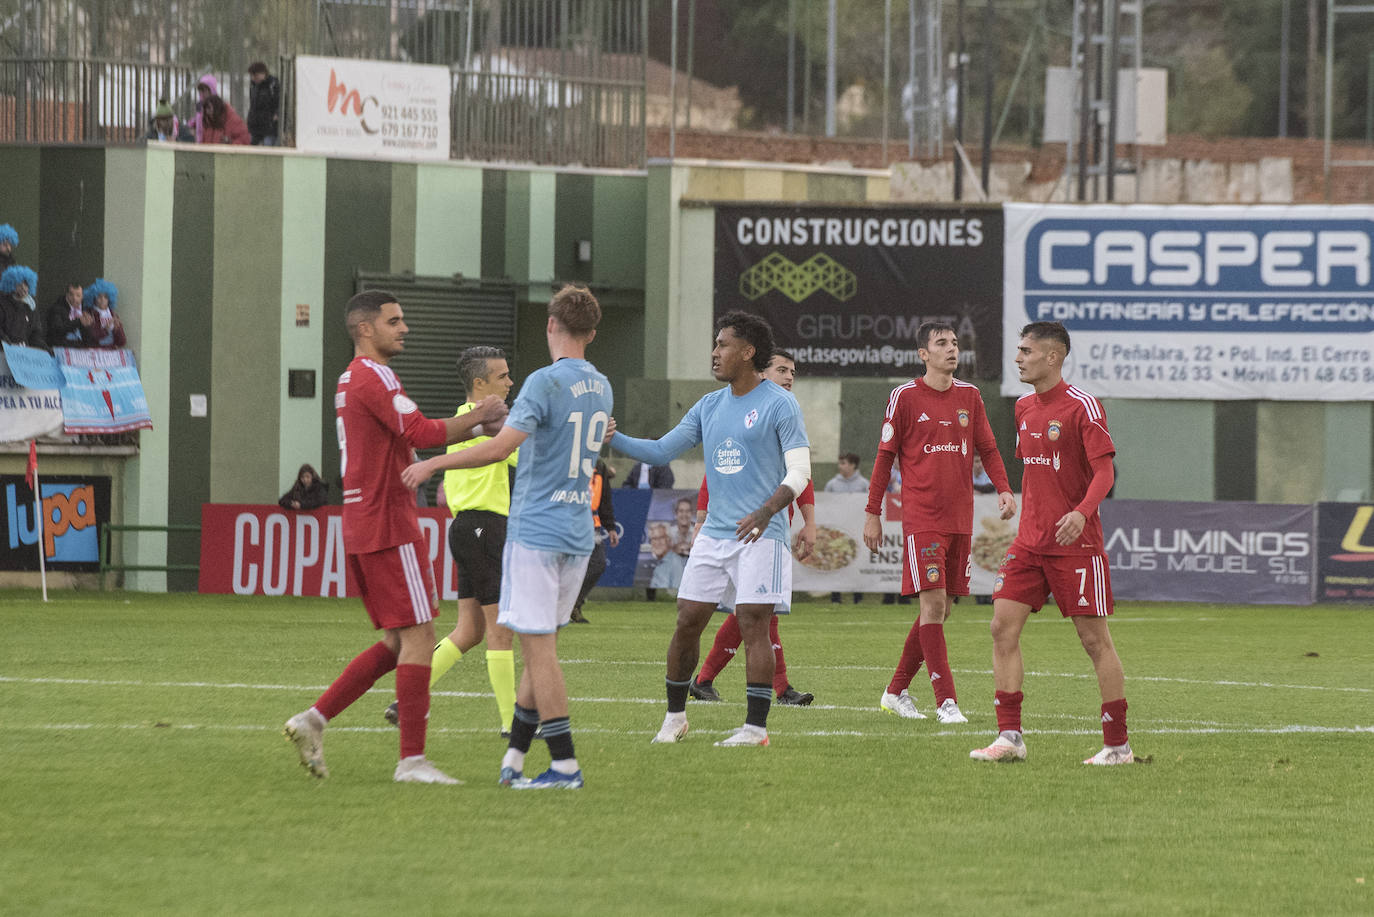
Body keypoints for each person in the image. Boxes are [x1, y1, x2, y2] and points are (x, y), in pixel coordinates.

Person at [282, 289, 508, 785]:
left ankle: (314, 720)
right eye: (394, 320)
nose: (404, 328)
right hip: (388, 521)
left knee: (396, 641)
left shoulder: (349, 379)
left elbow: (407, 434)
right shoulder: (372, 374)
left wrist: (473, 425)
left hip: (364, 520)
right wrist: (479, 416)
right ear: (366, 328)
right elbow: (420, 431)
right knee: (422, 636)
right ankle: (412, 761)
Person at [402, 284, 612, 790]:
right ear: (593, 332)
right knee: (541, 648)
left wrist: (435, 460)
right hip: (577, 532)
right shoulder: (601, 384)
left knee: (539, 654)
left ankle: (564, 766)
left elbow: (499, 449)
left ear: (551, 325)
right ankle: (515, 758)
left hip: (536, 531)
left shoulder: (544, 381)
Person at [610, 311, 811, 747]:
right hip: (715, 534)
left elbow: (800, 472)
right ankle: (675, 717)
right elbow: (662, 451)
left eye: (722, 345)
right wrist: (614, 438)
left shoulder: (780, 403)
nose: (715, 353)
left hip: (762, 534)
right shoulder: (709, 405)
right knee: (687, 619)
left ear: (747, 352)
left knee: (753, 623)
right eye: (715, 345)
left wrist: (764, 513)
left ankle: (755, 729)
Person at [969, 320, 1133, 766]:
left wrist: (1081, 513)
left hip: (1076, 545)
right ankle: (1009, 738)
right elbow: (1037, 472)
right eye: (1018, 350)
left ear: (1053, 356)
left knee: (1094, 641)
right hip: (1030, 543)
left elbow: (1104, 473)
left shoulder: (1083, 406)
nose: (1018, 358)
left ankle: (1117, 746)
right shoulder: (1024, 407)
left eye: (1025, 351)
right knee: (1002, 628)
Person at [863, 321, 1015, 725]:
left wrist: (1003, 488)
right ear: (923, 354)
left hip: (960, 519)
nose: (952, 349)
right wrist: (872, 512)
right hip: (922, 518)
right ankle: (946, 702)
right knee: (932, 604)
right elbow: (884, 457)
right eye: (942, 343)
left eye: (954, 343)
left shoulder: (971, 396)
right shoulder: (905, 396)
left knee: (943, 608)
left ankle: (895, 691)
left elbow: (988, 447)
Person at [382, 345, 519, 735]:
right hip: (485, 528)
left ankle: (406, 698)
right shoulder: (483, 426)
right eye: (502, 376)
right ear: (480, 384)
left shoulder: (463, 423)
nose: (510, 382)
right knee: (499, 630)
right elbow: (513, 453)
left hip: (465, 529)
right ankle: (513, 723)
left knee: (469, 631)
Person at [688, 348, 817, 707]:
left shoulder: (785, 412)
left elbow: (804, 476)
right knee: (758, 611)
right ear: (761, 371)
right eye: (782, 369)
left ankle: (704, 679)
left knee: (755, 611)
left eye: (793, 371)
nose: (789, 376)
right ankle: (778, 688)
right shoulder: (738, 409)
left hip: (770, 529)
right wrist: (701, 521)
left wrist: (809, 521)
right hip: (737, 531)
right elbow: (714, 474)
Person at [570, 459, 619, 624]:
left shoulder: (600, 465)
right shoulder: (569, 456)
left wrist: (611, 527)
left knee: (598, 564)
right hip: (568, 522)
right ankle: (562, 606)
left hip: (592, 525)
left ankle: (573, 603)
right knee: (562, 565)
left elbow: (604, 499)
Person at [825, 451, 869, 604]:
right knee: (837, 562)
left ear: (853, 465)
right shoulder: (832, 484)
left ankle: (858, 597)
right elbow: (826, 506)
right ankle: (835, 597)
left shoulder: (864, 484)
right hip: (838, 532)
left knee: (856, 563)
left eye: (844, 463)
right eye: (840, 463)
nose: (841, 466)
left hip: (856, 530)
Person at [0, 266, 44, 348]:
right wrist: (8, 345)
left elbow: (35, 334)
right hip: (4, 350)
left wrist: (44, 347)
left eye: (26, 284)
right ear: (11, 284)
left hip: (23, 352)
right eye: (19, 284)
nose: (23, 287)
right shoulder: (2, 304)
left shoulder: (31, 307)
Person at [46, 283, 94, 348]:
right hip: (62, 346)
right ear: (67, 295)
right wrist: (78, 322)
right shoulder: (56, 309)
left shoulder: (87, 310)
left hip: (81, 347)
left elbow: (91, 336)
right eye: (71, 295)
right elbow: (57, 331)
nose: (74, 298)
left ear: (82, 296)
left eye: (78, 295)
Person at [83, 280, 126, 348]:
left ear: (109, 299)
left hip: (110, 352)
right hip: (94, 352)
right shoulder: (89, 314)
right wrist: (106, 329)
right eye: (99, 296)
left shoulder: (113, 315)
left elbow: (122, 342)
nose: (103, 300)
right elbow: (90, 338)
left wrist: (118, 329)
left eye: (105, 297)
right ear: (93, 298)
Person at [246, 62, 281, 146]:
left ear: (263, 73)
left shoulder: (273, 85)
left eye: (255, 75)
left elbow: (280, 102)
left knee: (268, 149)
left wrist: (276, 114)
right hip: (255, 126)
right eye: (252, 76)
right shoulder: (253, 86)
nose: (254, 78)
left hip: (269, 127)